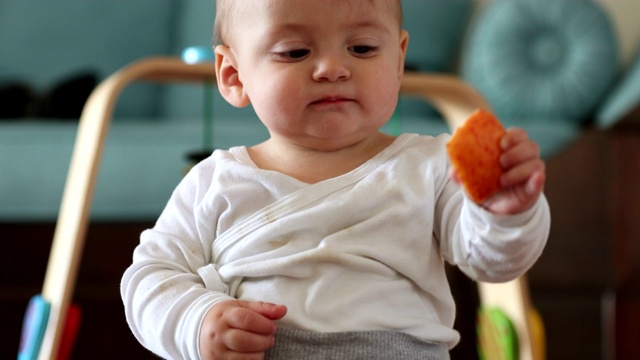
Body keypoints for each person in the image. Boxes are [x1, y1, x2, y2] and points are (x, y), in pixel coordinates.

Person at [121, 0, 550, 359]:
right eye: (294, 52)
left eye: (362, 48)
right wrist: (197, 321)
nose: (332, 68)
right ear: (233, 75)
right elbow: (150, 278)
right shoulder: (215, 182)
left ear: (398, 60)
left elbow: (492, 261)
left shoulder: (432, 166)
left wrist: (501, 213)